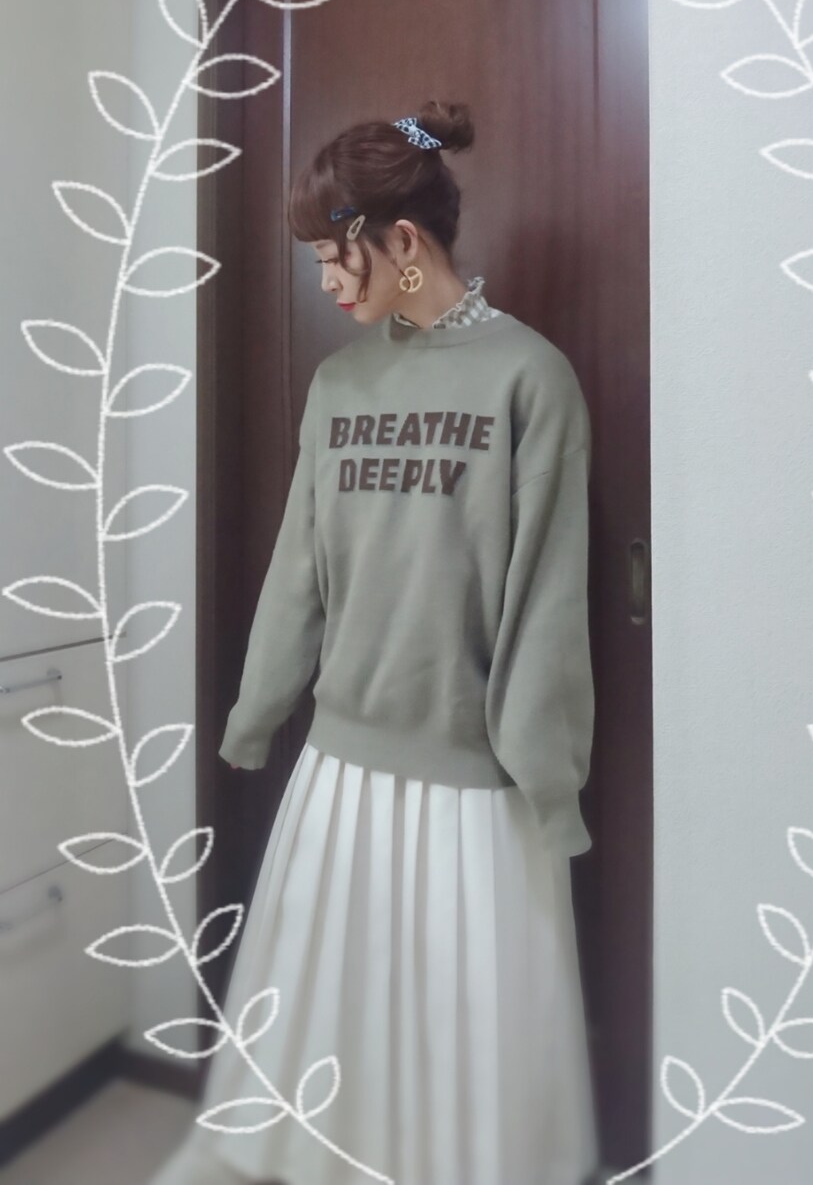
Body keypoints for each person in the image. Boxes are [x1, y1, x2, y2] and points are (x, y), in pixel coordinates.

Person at [147, 101, 600, 1185]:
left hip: (475, 780)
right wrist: (256, 714)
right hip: (340, 769)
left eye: (330, 255)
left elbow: (546, 602)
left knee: (463, 1049)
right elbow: (297, 569)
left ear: (401, 240)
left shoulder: (530, 378)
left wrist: (549, 782)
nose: (323, 282)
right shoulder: (338, 385)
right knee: (325, 1025)